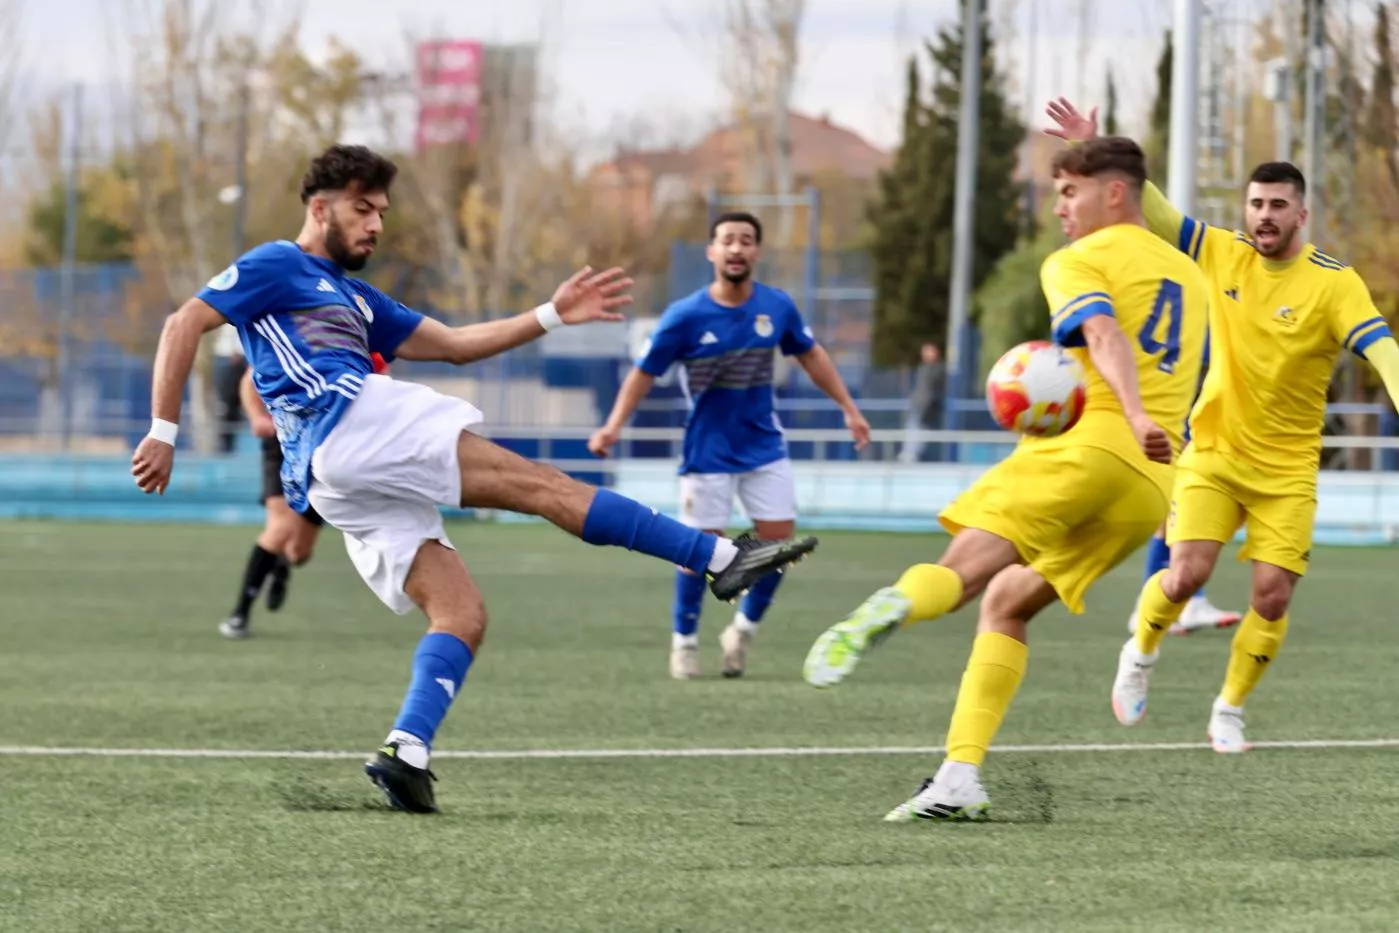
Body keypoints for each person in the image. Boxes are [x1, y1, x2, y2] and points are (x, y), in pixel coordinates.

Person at [130, 144, 818, 814]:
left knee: (462, 612)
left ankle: (407, 749)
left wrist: (551, 315)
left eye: (381, 211)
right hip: (349, 419)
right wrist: (164, 431)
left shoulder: (358, 298)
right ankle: (721, 556)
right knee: (540, 485)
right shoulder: (277, 263)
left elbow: (456, 345)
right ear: (320, 207)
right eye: (363, 208)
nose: (375, 222)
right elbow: (184, 320)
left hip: (335, 472)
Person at [801, 136, 1209, 820]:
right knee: (1008, 604)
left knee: (960, 575)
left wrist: (1130, 410)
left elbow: (1103, 335)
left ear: (1113, 193)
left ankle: (890, 605)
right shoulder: (1191, 278)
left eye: (1068, 192)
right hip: (1146, 489)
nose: (1059, 208)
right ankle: (959, 778)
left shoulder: (1077, 260)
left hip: (1086, 449)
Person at [1043, 99, 1399, 752]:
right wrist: (1098, 149)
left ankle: (1228, 707)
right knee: (1182, 574)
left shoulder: (1333, 283)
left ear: (1301, 214)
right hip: (1211, 449)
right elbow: (1150, 210)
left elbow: (1381, 348)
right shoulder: (1221, 253)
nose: (1263, 216)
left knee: (1270, 596)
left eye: (1276, 206)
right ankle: (1140, 649)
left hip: (1288, 469)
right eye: (1255, 204)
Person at [587, 211, 869, 679]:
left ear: (756, 251)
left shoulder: (777, 307)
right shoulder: (685, 316)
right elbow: (644, 372)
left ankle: (742, 632)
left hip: (764, 447)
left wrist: (848, 408)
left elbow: (811, 355)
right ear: (712, 252)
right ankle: (685, 641)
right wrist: (613, 425)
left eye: (746, 240)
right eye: (727, 241)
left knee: (778, 548)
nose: (736, 248)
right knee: (698, 553)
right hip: (707, 452)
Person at [218, 352, 388, 640]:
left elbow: (381, 390)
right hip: (282, 441)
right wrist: (258, 417)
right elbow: (249, 380)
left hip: (326, 450)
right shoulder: (292, 334)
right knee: (280, 526)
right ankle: (239, 614)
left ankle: (282, 567)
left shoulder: (366, 346)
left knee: (299, 552)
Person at [898, 342, 944, 464]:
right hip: (918, 405)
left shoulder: (939, 369)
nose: (926, 354)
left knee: (920, 430)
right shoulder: (922, 368)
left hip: (928, 407)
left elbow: (934, 390)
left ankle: (912, 454)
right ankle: (909, 454)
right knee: (913, 428)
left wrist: (928, 404)